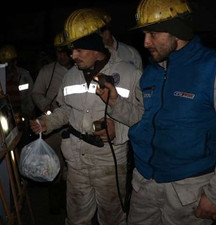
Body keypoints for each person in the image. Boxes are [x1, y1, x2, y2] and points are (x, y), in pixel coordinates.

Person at [96, 0, 216, 224]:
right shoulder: (151, 73)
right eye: (144, 34)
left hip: (189, 189)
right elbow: (142, 118)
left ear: (178, 31)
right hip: (144, 183)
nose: (146, 42)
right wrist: (116, 101)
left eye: (153, 34)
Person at [30, 8, 142, 225]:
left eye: (79, 50)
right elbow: (66, 109)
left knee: (112, 219)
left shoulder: (129, 74)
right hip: (76, 160)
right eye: (72, 50)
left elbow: (142, 117)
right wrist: (48, 122)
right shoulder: (71, 75)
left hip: (109, 161)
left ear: (96, 49)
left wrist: (117, 130)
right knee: (76, 218)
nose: (73, 56)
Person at [31, 32, 74, 214]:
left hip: (73, 127)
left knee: (71, 167)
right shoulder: (47, 71)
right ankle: (54, 203)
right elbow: (36, 93)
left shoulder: (80, 71)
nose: (62, 55)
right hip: (52, 125)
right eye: (59, 52)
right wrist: (46, 106)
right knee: (53, 164)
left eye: (65, 51)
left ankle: (71, 202)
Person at [0, 44, 36, 145]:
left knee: (24, 142)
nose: (6, 66)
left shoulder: (23, 75)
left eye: (8, 62)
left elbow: (31, 95)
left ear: (14, 61)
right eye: (4, 63)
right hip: (5, 118)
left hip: (22, 115)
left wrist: (29, 113)